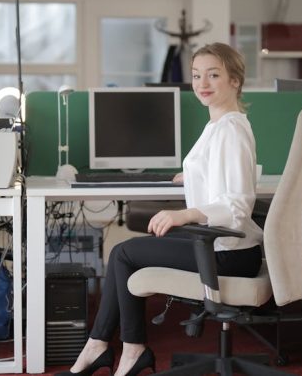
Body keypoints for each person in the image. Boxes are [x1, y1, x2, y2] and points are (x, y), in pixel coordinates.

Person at [57, 42, 263, 376]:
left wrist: (184, 214)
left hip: (230, 253)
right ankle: (110, 349)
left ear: (235, 80)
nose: (202, 83)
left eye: (213, 75)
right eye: (197, 75)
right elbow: (222, 178)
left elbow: (238, 204)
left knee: (124, 255)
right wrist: (194, 174)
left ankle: (120, 349)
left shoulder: (230, 130)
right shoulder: (220, 126)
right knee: (124, 253)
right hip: (223, 244)